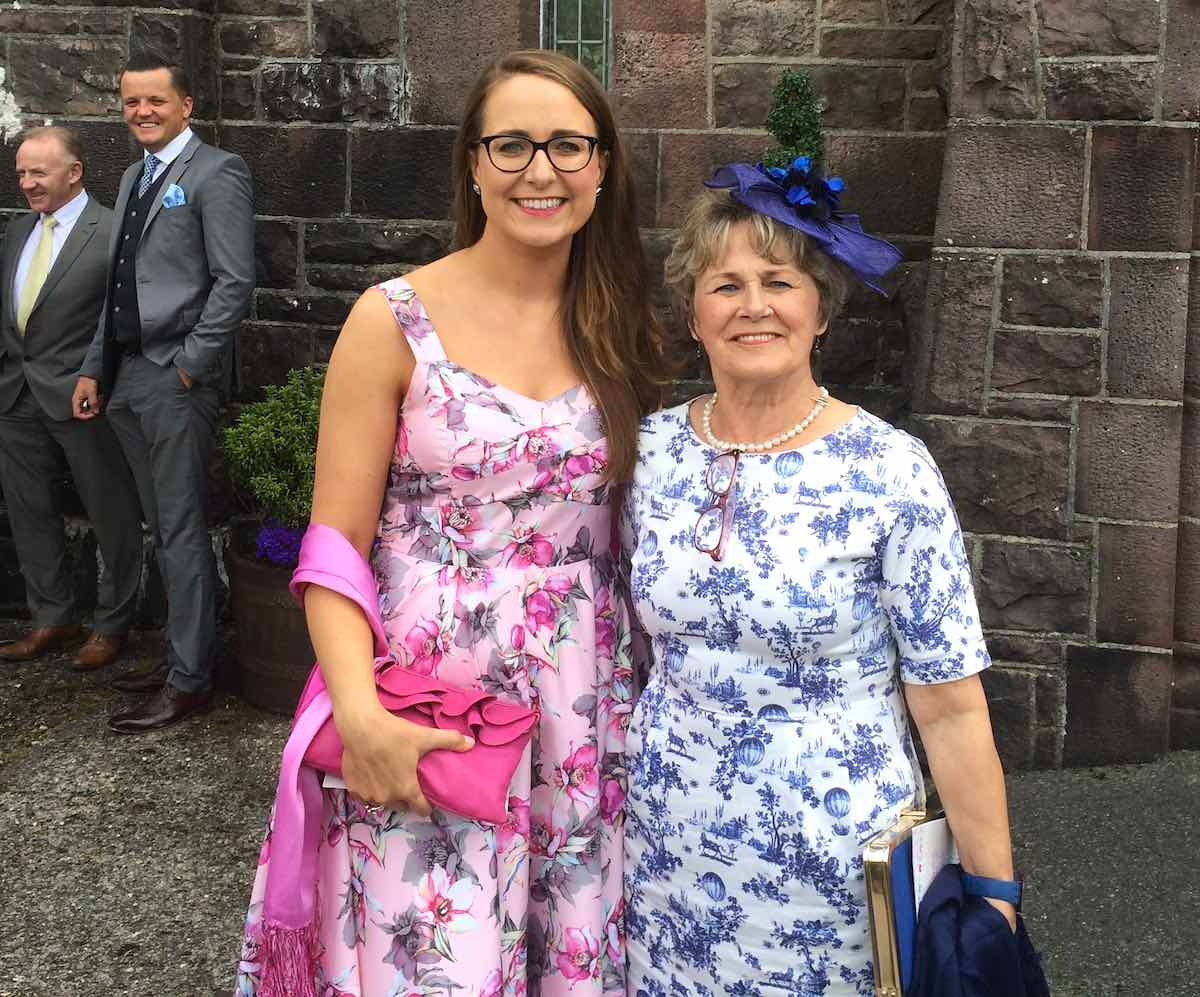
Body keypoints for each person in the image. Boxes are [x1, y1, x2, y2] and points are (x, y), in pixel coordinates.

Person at [235, 50, 670, 997]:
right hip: (430, 699)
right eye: (512, 145)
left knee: (569, 952)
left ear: (602, 165)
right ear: (473, 163)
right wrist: (359, 713)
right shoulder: (391, 319)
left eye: (567, 145)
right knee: (435, 959)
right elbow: (332, 546)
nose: (540, 170)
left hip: (582, 709)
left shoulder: (619, 322)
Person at [620, 160, 1018, 996]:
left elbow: (949, 705)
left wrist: (994, 895)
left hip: (834, 877)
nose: (753, 305)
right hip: (664, 860)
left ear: (821, 309)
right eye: (725, 285)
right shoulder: (648, 455)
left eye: (779, 281)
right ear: (693, 314)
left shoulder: (890, 470)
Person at [73, 53, 255, 733]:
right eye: (131, 102)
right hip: (125, 375)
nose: (142, 112)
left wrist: (189, 366)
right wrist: (94, 367)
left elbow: (234, 282)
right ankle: (182, 655)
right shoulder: (132, 176)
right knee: (161, 528)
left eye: (155, 100)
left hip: (175, 379)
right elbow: (117, 285)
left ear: (185, 106)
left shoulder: (217, 172)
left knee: (180, 529)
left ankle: (190, 680)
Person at [0, 126, 143, 671]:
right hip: (16, 394)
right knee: (28, 510)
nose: (27, 183)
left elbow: (120, 316)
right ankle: (52, 617)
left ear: (75, 172)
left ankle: (112, 625)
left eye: (38, 172)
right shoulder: (18, 231)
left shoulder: (111, 231)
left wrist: (98, 376)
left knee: (111, 510)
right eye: (21, 173)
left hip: (84, 397)